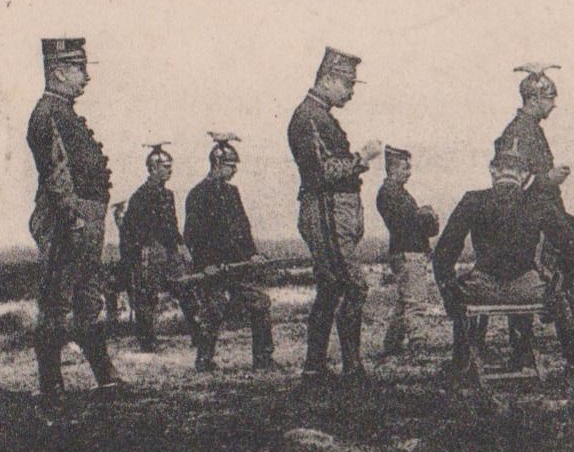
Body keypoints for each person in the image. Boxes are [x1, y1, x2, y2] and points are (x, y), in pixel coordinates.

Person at [431, 141, 574, 376]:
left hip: (481, 290)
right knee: (558, 291)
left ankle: (460, 362)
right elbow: (571, 250)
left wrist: (449, 291)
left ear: (493, 171)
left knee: (460, 290)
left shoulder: (472, 200)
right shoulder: (539, 202)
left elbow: (443, 253)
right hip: (529, 289)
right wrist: (558, 281)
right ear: (524, 175)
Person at [26, 38, 121, 404]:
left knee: (86, 299)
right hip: (70, 221)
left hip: (84, 219)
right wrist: (71, 217)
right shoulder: (48, 113)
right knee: (56, 302)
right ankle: (51, 385)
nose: (86, 78)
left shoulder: (61, 111)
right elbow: (55, 173)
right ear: (59, 71)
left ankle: (106, 378)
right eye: (80, 69)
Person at [287, 47, 382, 385]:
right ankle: (352, 367)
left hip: (333, 213)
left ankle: (315, 367)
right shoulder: (308, 117)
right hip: (326, 210)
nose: (351, 92)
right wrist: (361, 158)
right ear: (327, 79)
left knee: (330, 288)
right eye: (348, 84)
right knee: (353, 285)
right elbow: (320, 172)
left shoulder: (317, 115)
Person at [495, 63, 574, 342]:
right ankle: (532, 348)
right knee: (530, 277)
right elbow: (509, 182)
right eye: (550, 98)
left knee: (560, 274)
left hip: (546, 215)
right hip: (530, 220)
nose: (553, 105)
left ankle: (572, 344)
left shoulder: (531, 128)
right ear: (534, 99)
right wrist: (548, 178)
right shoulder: (517, 132)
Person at [183, 133, 276, 371]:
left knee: (260, 303)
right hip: (212, 267)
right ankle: (204, 360)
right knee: (213, 310)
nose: (234, 170)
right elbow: (193, 236)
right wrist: (206, 265)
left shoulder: (233, 193)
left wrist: (252, 254)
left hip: (237, 266)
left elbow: (243, 229)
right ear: (217, 164)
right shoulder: (197, 195)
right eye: (230, 166)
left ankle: (263, 359)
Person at [118, 143, 209, 355]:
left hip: (169, 249)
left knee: (185, 288)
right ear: (152, 168)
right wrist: (141, 253)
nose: (170, 170)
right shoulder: (140, 196)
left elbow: (172, 225)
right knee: (147, 297)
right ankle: (147, 342)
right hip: (149, 251)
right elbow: (134, 230)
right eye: (165, 166)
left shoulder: (168, 195)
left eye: (170, 166)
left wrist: (180, 245)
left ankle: (199, 335)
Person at [375, 145, 439, 354]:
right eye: (405, 167)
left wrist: (423, 216)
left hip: (405, 252)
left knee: (405, 301)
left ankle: (392, 344)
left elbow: (418, 224)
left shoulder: (396, 193)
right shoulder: (390, 193)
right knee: (416, 302)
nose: (409, 172)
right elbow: (406, 223)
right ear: (393, 169)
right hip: (408, 253)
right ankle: (417, 344)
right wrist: (424, 215)